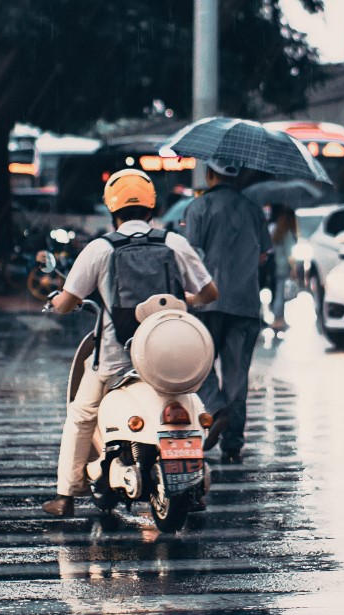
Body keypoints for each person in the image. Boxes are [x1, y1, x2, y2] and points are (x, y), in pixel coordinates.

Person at [41, 169, 219, 517]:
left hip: (116, 358)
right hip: (171, 355)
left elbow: (65, 302)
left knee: (81, 414)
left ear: (113, 209)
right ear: (152, 208)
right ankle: (192, 484)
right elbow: (210, 293)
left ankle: (65, 495)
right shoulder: (174, 243)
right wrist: (182, 301)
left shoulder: (99, 249)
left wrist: (58, 303)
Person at [184, 159, 272, 464]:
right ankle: (233, 442)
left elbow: (190, 255)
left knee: (197, 365)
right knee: (237, 377)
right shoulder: (253, 209)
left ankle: (215, 407)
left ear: (210, 175)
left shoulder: (199, 208)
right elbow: (263, 256)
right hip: (245, 303)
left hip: (206, 302)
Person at [268, 204, 298, 332]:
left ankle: (279, 319)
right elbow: (290, 253)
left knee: (278, 293)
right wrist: (294, 268)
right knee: (281, 294)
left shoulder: (276, 231)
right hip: (283, 266)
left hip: (274, 265)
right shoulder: (288, 233)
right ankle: (278, 319)